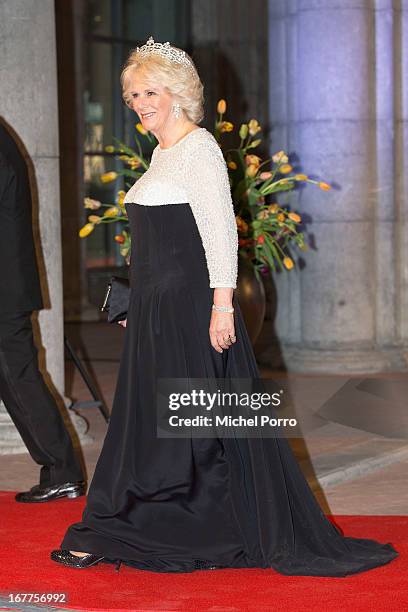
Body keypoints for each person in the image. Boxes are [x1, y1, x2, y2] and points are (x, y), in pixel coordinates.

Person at [51, 38, 398, 575]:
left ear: (177, 94)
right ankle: (127, 523)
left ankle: (168, 526)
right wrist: (134, 299)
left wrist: (221, 307)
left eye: (150, 91)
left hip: (191, 309)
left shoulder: (199, 147)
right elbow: (161, 239)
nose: (140, 102)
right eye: (132, 93)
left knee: (189, 427)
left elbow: (219, 234)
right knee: (152, 423)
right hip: (155, 313)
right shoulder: (162, 151)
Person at [0, 121, 86, 502]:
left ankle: (64, 470)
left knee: (18, 376)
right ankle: (61, 469)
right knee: (16, 377)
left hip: (4, 287)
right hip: (8, 284)